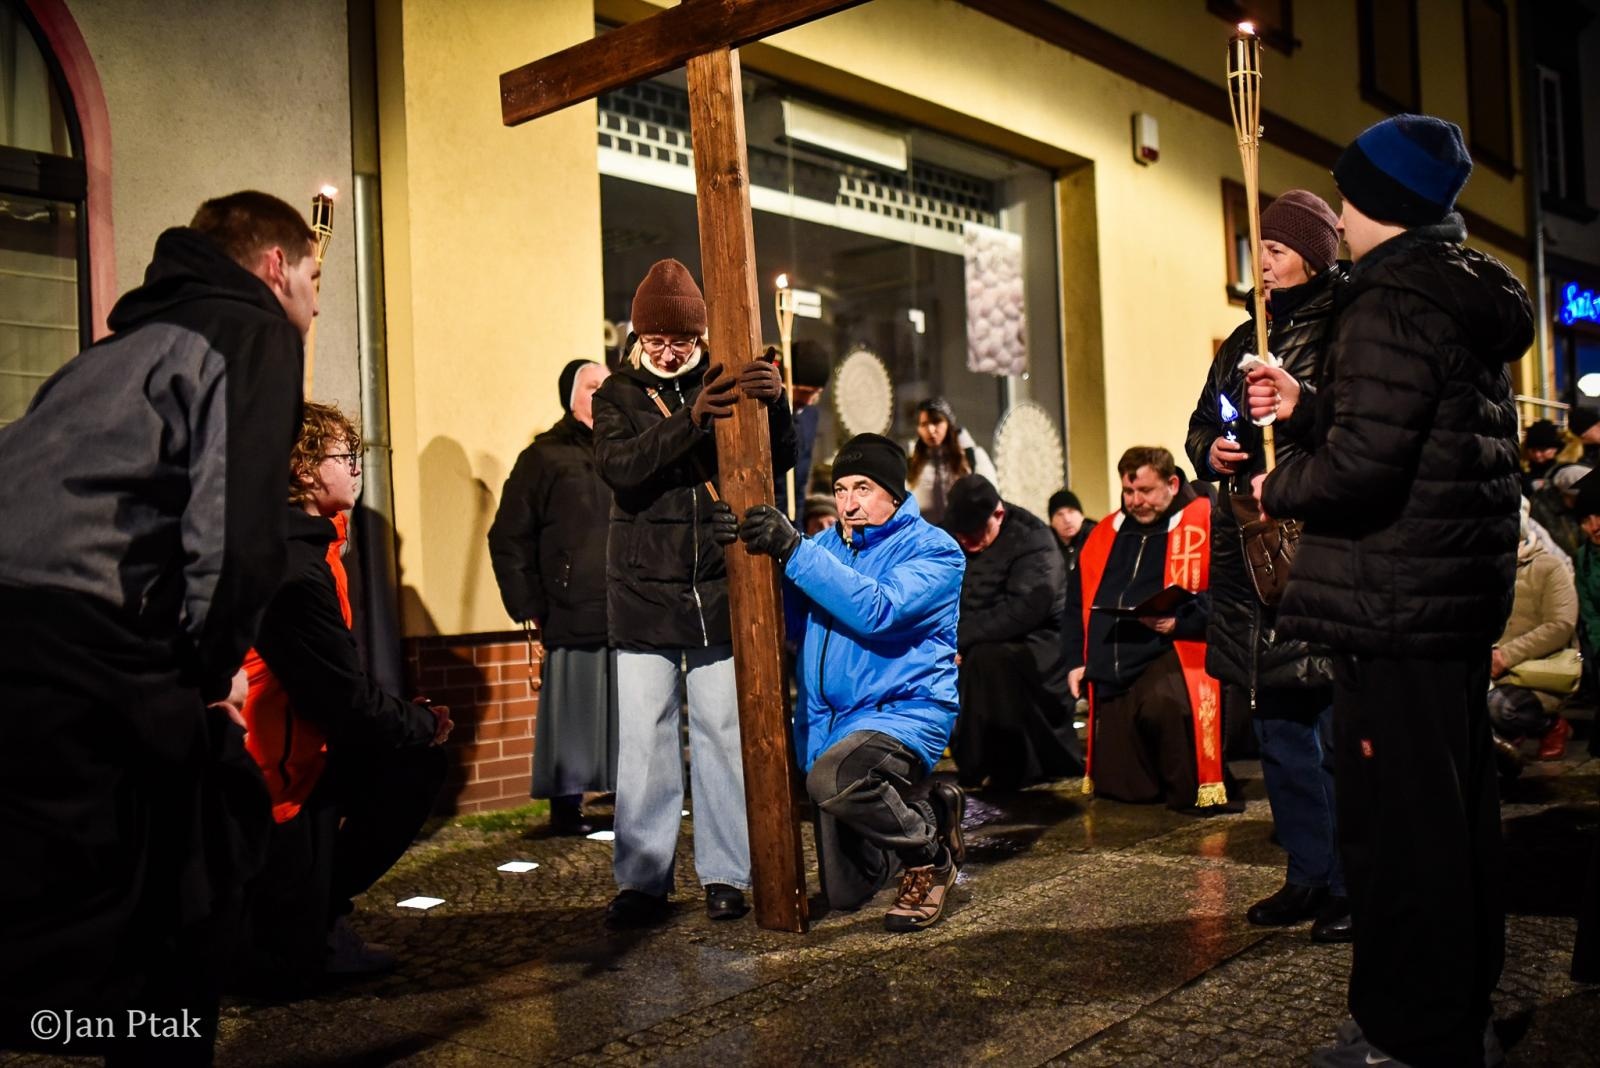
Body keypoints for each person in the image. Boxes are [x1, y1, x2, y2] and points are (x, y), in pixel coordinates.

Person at [1246, 115, 1531, 1068]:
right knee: (1451, 818)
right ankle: (1458, 1005)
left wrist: (1276, 484)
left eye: (1345, 191)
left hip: (1394, 602)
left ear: (1377, 204)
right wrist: (1310, 405)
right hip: (1443, 599)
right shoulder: (1458, 290)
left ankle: (1417, 1032)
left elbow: (1365, 471)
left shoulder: (1388, 299)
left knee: (1399, 837)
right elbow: (1422, 433)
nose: (1338, 206)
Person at [0, 191, 311, 1061]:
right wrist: (213, 681)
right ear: (275, 268)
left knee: (56, 909)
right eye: (315, 278)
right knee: (188, 896)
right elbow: (239, 538)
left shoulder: (110, 352)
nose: (317, 302)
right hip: (91, 639)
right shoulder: (251, 332)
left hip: (23, 638)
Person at [592, 258, 795, 928]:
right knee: (644, 743)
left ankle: (726, 873)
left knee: (721, 733)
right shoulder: (616, 395)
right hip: (644, 592)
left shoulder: (721, 380)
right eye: (656, 340)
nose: (669, 351)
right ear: (637, 338)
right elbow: (621, 469)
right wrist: (690, 420)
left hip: (715, 586)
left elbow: (779, 459)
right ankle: (642, 880)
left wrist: (777, 401)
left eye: (680, 340)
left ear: (702, 337)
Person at [236, 402, 452, 990]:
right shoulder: (294, 566)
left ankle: (312, 915)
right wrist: (421, 724)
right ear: (304, 471)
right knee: (414, 759)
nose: (357, 469)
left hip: (297, 755)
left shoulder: (314, 550)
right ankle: (308, 921)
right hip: (274, 780)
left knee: (405, 750)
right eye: (344, 457)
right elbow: (343, 702)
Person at [1183, 189, 1350, 942]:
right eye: (1261, 253)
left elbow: (1355, 428)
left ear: (1313, 253)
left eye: (1278, 252)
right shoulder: (1245, 337)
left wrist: (1298, 423)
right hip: (1252, 552)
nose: (1267, 266)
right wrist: (1208, 452)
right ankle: (1306, 872)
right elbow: (1202, 421)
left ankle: (1351, 880)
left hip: (1318, 546)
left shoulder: (1348, 323)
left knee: (1335, 729)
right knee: (1280, 726)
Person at [735, 434, 966, 930]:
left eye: (863, 487)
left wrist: (796, 553)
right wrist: (738, 556)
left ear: (894, 494)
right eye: (840, 489)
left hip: (905, 712)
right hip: (832, 723)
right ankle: (928, 811)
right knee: (847, 892)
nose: (849, 502)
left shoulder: (936, 551)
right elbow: (792, 625)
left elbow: (878, 610)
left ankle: (930, 857)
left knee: (834, 779)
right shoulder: (824, 548)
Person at [488, 358, 617, 835]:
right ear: (571, 396)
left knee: (626, 710)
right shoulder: (543, 458)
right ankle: (567, 807)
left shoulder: (624, 453)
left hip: (624, 607)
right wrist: (529, 606)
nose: (601, 394)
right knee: (572, 710)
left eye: (608, 386)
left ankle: (630, 797)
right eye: (591, 386)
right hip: (570, 607)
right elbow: (508, 536)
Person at [1063, 446, 1225, 812]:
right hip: (1113, 657)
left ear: (1171, 483)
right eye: (1128, 492)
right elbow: (1075, 604)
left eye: (1145, 491)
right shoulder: (1105, 533)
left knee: (1165, 707)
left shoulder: (1203, 522)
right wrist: (1075, 660)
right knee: (1122, 788)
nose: (1135, 502)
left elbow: (1227, 594)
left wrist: (1182, 621)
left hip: (1172, 648)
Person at [943, 475, 1083, 790]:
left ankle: (1006, 764)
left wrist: (960, 640)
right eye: (962, 535)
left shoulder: (1033, 540)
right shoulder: (955, 536)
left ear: (999, 515)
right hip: (975, 637)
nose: (967, 542)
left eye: (977, 533)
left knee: (987, 660)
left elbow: (1025, 611)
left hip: (1038, 644)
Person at [1486, 502, 1578, 769]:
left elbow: (1561, 625)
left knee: (1499, 709)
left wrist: (1506, 655)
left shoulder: (1549, 567)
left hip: (1536, 670)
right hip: (1491, 669)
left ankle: (1551, 726)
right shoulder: (1485, 570)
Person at [906, 397, 996, 525]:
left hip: (966, 538)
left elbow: (991, 501)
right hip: (926, 540)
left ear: (949, 423)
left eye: (936, 422)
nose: (931, 430)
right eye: (924, 424)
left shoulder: (972, 457)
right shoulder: (911, 463)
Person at [1047, 489, 1096, 573]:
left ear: (1081, 515)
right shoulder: (1045, 545)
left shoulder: (1096, 539)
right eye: (1059, 514)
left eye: (1071, 511)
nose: (1067, 519)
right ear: (1052, 522)